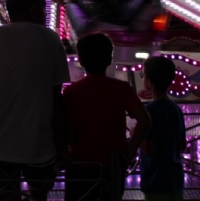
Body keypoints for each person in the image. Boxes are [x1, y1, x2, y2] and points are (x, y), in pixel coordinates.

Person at [0, 0, 71, 201]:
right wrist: (62, 149)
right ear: (34, 11)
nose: (45, 14)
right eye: (44, 10)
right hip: (39, 146)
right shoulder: (51, 40)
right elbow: (56, 100)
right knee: (39, 196)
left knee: (5, 198)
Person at [63, 32, 150, 201]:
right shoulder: (122, 89)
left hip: (80, 163)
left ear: (81, 60)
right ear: (109, 59)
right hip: (112, 163)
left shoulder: (71, 92)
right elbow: (145, 119)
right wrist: (130, 151)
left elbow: (69, 131)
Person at [139, 57, 186, 201]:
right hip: (176, 179)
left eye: (143, 75)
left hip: (155, 180)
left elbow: (149, 148)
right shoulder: (176, 109)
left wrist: (134, 132)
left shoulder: (149, 111)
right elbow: (182, 144)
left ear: (149, 82)